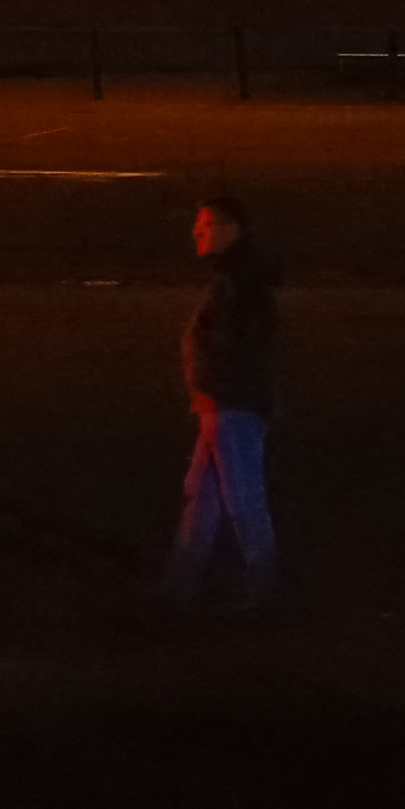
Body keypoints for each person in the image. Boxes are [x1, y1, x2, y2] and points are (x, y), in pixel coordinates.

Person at [167, 192, 283, 607]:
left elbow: (232, 342)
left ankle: (262, 586)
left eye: (205, 224)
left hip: (228, 403)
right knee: (204, 495)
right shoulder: (241, 275)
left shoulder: (237, 279)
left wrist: (211, 383)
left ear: (229, 228)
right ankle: (181, 584)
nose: (196, 231)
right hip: (223, 402)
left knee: (239, 496)